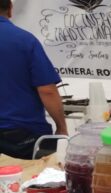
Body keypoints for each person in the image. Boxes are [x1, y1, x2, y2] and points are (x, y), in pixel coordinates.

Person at [0, 0, 67, 159]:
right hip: (23, 138)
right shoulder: (24, 40)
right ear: (10, 9)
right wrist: (61, 128)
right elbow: (47, 90)